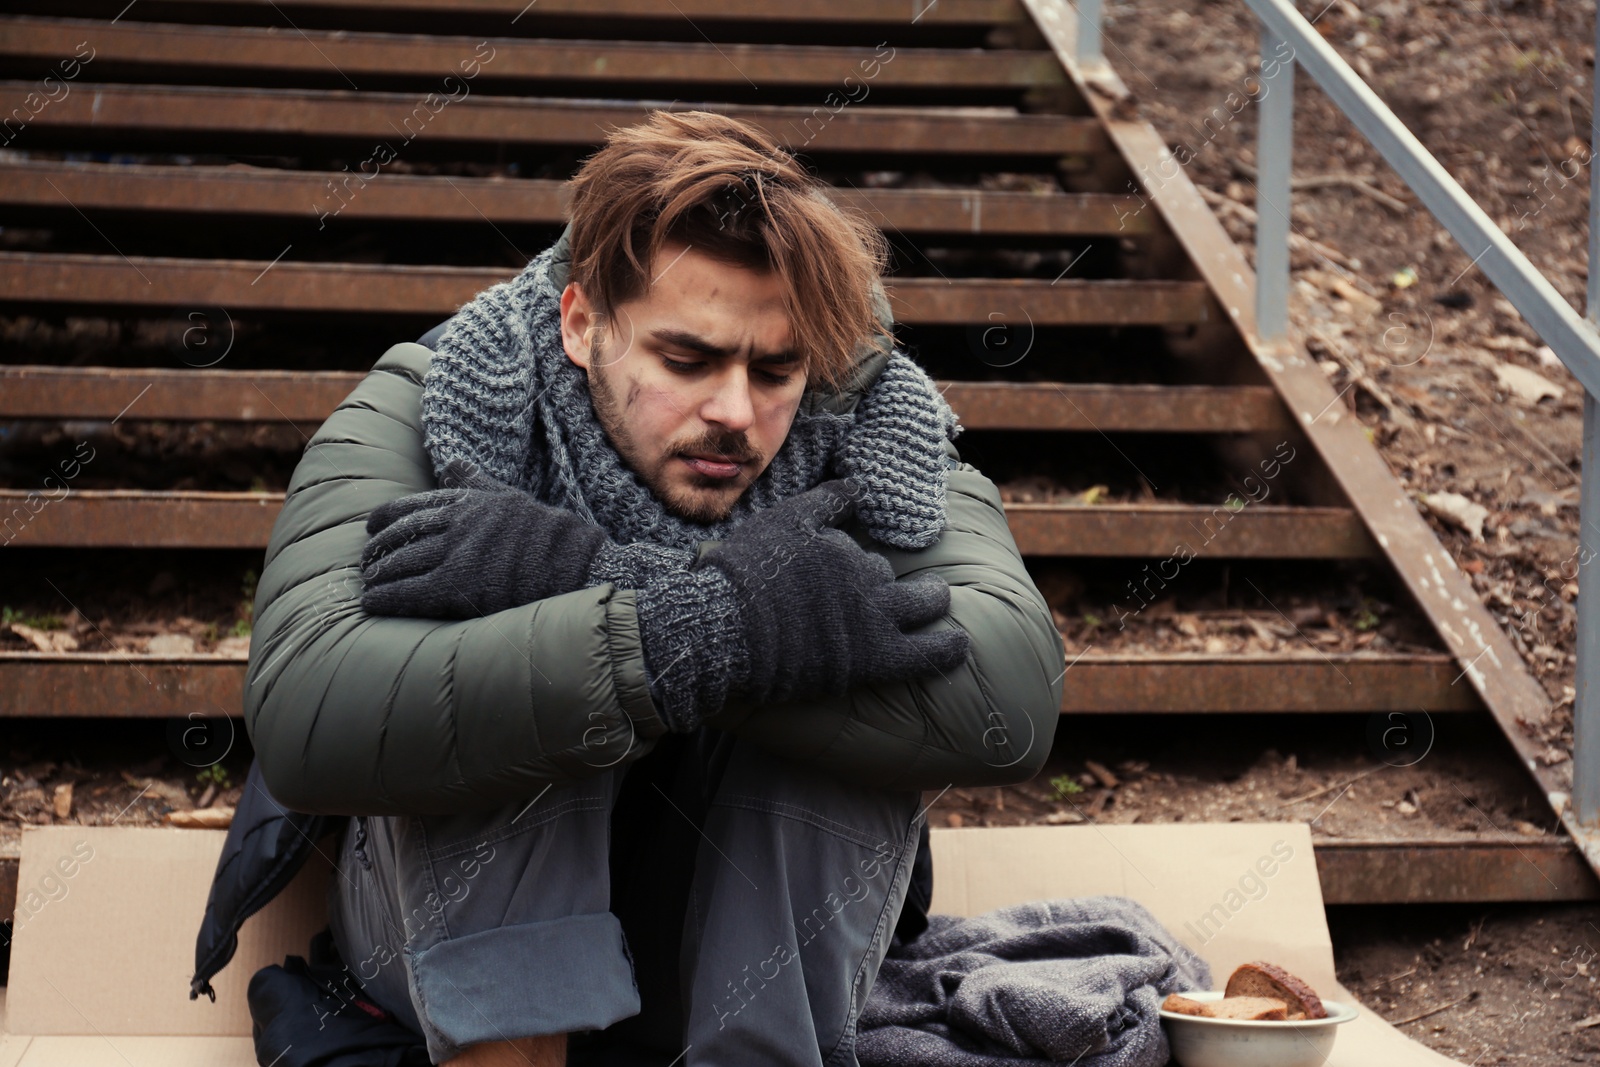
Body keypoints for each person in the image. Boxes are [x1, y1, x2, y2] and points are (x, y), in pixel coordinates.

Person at [239, 110, 1063, 1066]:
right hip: (435, 952)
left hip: (736, 949)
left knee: (838, 694)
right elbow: (307, 709)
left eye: (776, 369)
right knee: (525, 672)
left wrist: (633, 594)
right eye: (688, 359)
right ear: (583, 322)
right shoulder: (427, 395)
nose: (735, 412)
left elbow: (1010, 700)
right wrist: (681, 622)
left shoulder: (878, 422)